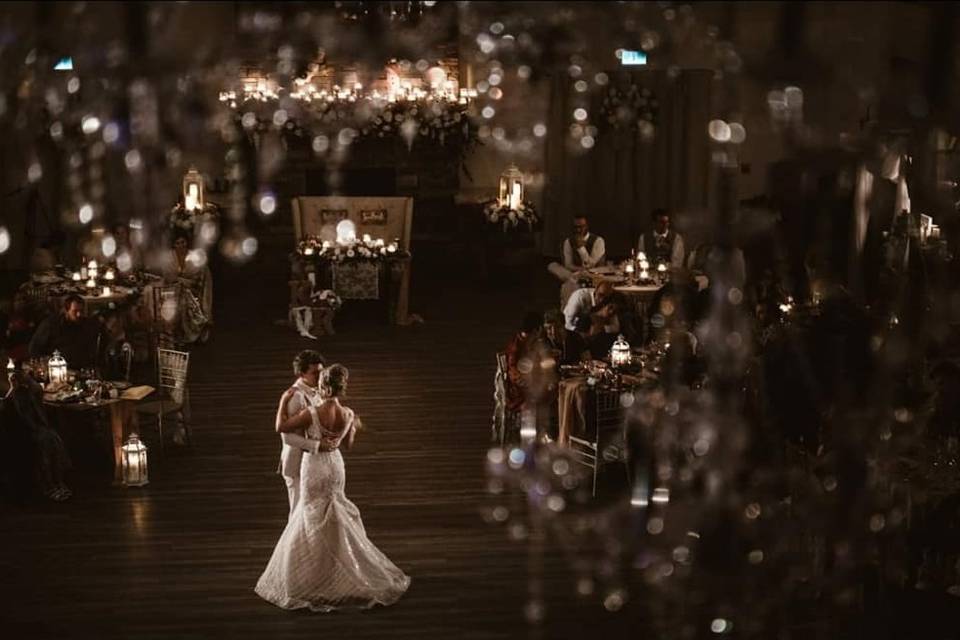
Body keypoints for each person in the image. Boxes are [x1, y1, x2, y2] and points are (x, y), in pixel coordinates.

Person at [256, 364, 411, 612]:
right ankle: (341, 571)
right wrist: (353, 427)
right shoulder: (349, 414)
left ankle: (309, 576)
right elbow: (347, 445)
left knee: (309, 514)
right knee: (336, 511)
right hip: (336, 467)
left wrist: (283, 402)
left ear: (323, 386)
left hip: (315, 466)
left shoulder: (311, 413)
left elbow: (281, 428)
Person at [1, 369, 72, 502]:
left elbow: (35, 394)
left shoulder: (12, 380)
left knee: (51, 437)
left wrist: (28, 381)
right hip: (12, 429)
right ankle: (49, 484)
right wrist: (13, 391)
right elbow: (4, 405)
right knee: (43, 440)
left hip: (27, 424)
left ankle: (58, 481)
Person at [275, 349, 326, 516]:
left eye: (321, 372)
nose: (320, 377)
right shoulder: (296, 396)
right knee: (298, 511)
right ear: (302, 373)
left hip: (311, 462)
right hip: (296, 462)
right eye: (315, 373)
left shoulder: (316, 390)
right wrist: (318, 446)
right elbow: (287, 436)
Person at [163, 231, 213, 344]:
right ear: (173, 245)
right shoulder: (169, 257)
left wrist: (183, 282)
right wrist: (178, 281)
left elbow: (198, 278)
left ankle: (192, 333)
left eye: (183, 242)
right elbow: (168, 276)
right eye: (177, 243)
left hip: (193, 290)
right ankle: (176, 334)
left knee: (185, 298)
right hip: (172, 289)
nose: (181, 245)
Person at [28, 294, 102, 369]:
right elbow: (34, 348)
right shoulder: (51, 324)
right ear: (66, 310)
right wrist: (48, 362)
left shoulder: (88, 325)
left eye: (81, 311)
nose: (79, 314)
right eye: (75, 311)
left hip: (81, 368)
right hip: (57, 368)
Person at [547, 215, 607, 305]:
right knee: (552, 265)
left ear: (587, 226)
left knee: (570, 283)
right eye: (576, 227)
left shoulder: (598, 241)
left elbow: (591, 265)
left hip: (593, 274)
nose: (578, 230)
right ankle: (575, 278)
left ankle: (574, 280)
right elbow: (568, 264)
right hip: (575, 272)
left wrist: (581, 248)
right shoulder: (568, 241)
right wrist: (580, 272)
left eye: (581, 227)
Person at [504, 311, 543, 412]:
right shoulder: (516, 346)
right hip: (519, 394)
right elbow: (513, 371)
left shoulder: (531, 342)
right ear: (536, 330)